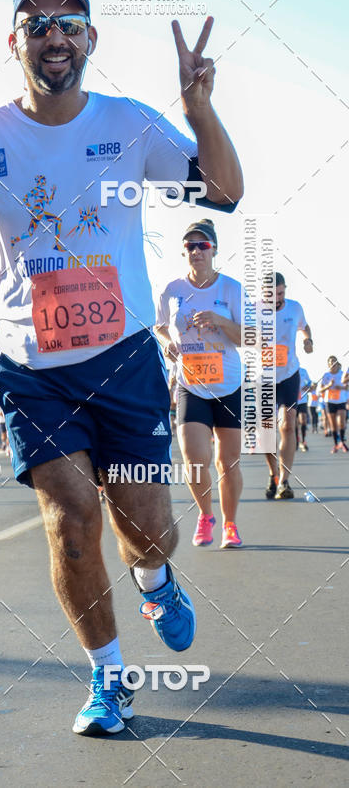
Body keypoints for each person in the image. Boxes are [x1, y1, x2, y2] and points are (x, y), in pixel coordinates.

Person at [0, 0, 243, 736]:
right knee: (71, 521)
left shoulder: (130, 124)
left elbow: (227, 191)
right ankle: (111, 682)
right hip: (32, 370)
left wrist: (199, 108)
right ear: (15, 43)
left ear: (89, 40)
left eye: (69, 22)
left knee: (147, 528)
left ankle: (156, 578)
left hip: (126, 360)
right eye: (37, 25)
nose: (54, 36)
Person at [156, 219, 244, 549]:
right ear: (184, 252)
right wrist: (167, 343)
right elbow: (161, 326)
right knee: (194, 460)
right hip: (190, 383)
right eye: (190, 246)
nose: (196, 251)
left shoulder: (231, 289)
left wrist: (220, 321)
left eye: (202, 245)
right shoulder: (172, 290)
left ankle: (231, 524)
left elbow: (251, 336)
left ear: (214, 250)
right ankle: (206, 516)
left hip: (229, 385)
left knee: (227, 461)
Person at [264, 273, 313, 500]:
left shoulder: (294, 308)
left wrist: (307, 340)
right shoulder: (253, 311)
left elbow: (305, 327)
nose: (277, 298)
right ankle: (273, 474)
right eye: (272, 294)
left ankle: (284, 480)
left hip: (289, 374)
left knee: (287, 425)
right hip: (262, 377)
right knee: (265, 432)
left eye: (281, 293)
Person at [318, 356, 348, 453]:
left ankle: (342, 442)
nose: (333, 364)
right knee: (333, 426)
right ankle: (336, 444)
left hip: (341, 401)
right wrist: (328, 386)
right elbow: (320, 390)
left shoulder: (343, 374)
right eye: (331, 362)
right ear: (328, 364)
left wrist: (342, 388)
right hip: (329, 402)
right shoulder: (326, 375)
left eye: (335, 362)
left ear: (337, 363)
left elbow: (347, 388)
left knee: (341, 422)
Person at [296, 367, 312, 452]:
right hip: (291, 400)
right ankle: (296, 441)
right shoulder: (286, 370)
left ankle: (303, 440)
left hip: (302, 399)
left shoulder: (303, 371)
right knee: (294, 423)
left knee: (303, 420)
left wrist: (308, 386)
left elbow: (309, 382)